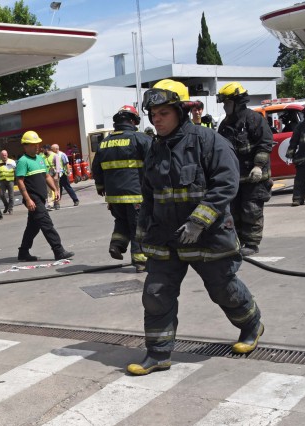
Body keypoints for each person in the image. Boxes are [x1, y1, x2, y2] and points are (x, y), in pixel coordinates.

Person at [128, 79, 264, 376]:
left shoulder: (209, 141)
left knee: (223, 290)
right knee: (155, 293)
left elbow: (226, 184)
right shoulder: (154, 149)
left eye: (163, 112)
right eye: (152, 114)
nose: (156, 119)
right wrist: (140, 241)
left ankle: (252, 325)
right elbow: (149, 196)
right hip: (166, 237)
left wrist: (197, 221)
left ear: (181, 111)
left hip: (210, 235)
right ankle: (158, 355)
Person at [91, 105, 152, 272]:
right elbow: (155, 163)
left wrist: (101, 186)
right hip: (135, 194)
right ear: (133, 121)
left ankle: (117, 245)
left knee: (122, 221)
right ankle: (141, 261)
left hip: (113, 196)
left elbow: (96, 167)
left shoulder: (104, 143)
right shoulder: (141, 139)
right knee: (138, 226)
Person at [216, 81, 274, 256]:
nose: (225, 106)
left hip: (255, 177)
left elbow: (265, 144)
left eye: (227, 102)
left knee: (251, 210)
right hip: (235, 178)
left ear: (238, 102)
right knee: (234, 211)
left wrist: (258, 166)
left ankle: (251, 243)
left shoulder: (254, 119)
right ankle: (238, 242)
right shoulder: (225, 125)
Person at [15, 130, 75, 262]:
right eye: (33, 144)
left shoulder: (40, 159)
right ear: (25, 145)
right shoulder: (23, 161)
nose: (37, 146)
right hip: (33, 198)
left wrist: (55, 189)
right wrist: (28, 199)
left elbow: (46, 176)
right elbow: (19, 181)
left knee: (33, 226)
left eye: (37, 144)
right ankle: (58, 251)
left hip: (41, 197)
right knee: (46, 223)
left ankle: (23, 252)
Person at [50, 143, 80, 208]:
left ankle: (75, 200)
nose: (51, 150)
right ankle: (57, 203)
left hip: (62, 174)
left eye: (52, 149)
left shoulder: (62, 154)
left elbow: (66, 163)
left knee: (67, 187)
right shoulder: (53, 155)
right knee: (58, 189)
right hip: (56, 174)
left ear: (56, 149)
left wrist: (68, 171)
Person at [0, 149, 16, 215]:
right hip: (3, 181)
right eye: (3, 155)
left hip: (10, 181)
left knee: (11, 196)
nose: (4, 156)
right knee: (1, 194)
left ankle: (10, 209)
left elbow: (16, 168)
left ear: (7, 155)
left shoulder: (12, 161)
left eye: (5, 155)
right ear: (1, 155)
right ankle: (6, 205)